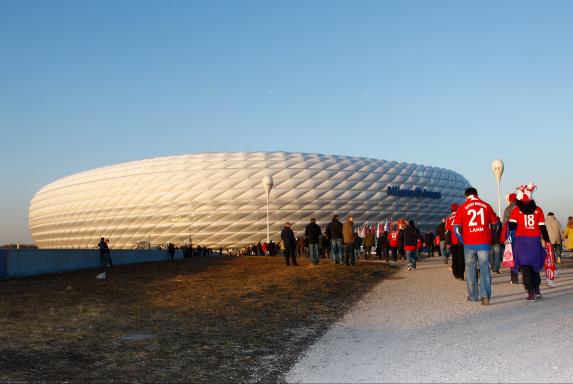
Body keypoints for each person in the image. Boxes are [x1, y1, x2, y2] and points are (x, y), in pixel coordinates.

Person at [453, 187, 499, 305]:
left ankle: (473, 295)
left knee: (470, 270)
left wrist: (463, 241)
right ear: (477, 194)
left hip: (469, 244)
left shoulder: (462, 208)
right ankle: (485, 296)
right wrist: (492, 238)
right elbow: (496, 225)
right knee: (484, 269)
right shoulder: (486, 205)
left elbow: (457, 229)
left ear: (466, 196)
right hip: (484, 243)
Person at [508, 183, 551, 301]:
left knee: (525, 266)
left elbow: (511, 226)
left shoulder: (516, 210)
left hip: (521, 243)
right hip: (534, 242)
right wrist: (547, 241)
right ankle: (537, 290)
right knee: (535, 267)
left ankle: (530, 292)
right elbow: (543, 228)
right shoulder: (538, 210)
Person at [502, 193, 519, 284]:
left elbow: (505, 224)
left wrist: (505, 237)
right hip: (524, 235)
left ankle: (514, 278)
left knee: (513, 257)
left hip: (512, 235)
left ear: (509, 199)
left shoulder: (508, 208)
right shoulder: (522, 207)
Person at [446, 204, 464, 280]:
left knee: (454, 258)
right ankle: (461, 274)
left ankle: (456, 273)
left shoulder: (448, 218)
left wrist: (447, 242)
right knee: (461, 258)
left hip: (453, 242)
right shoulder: (461, 216)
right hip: (461, 241)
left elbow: (447, 231)